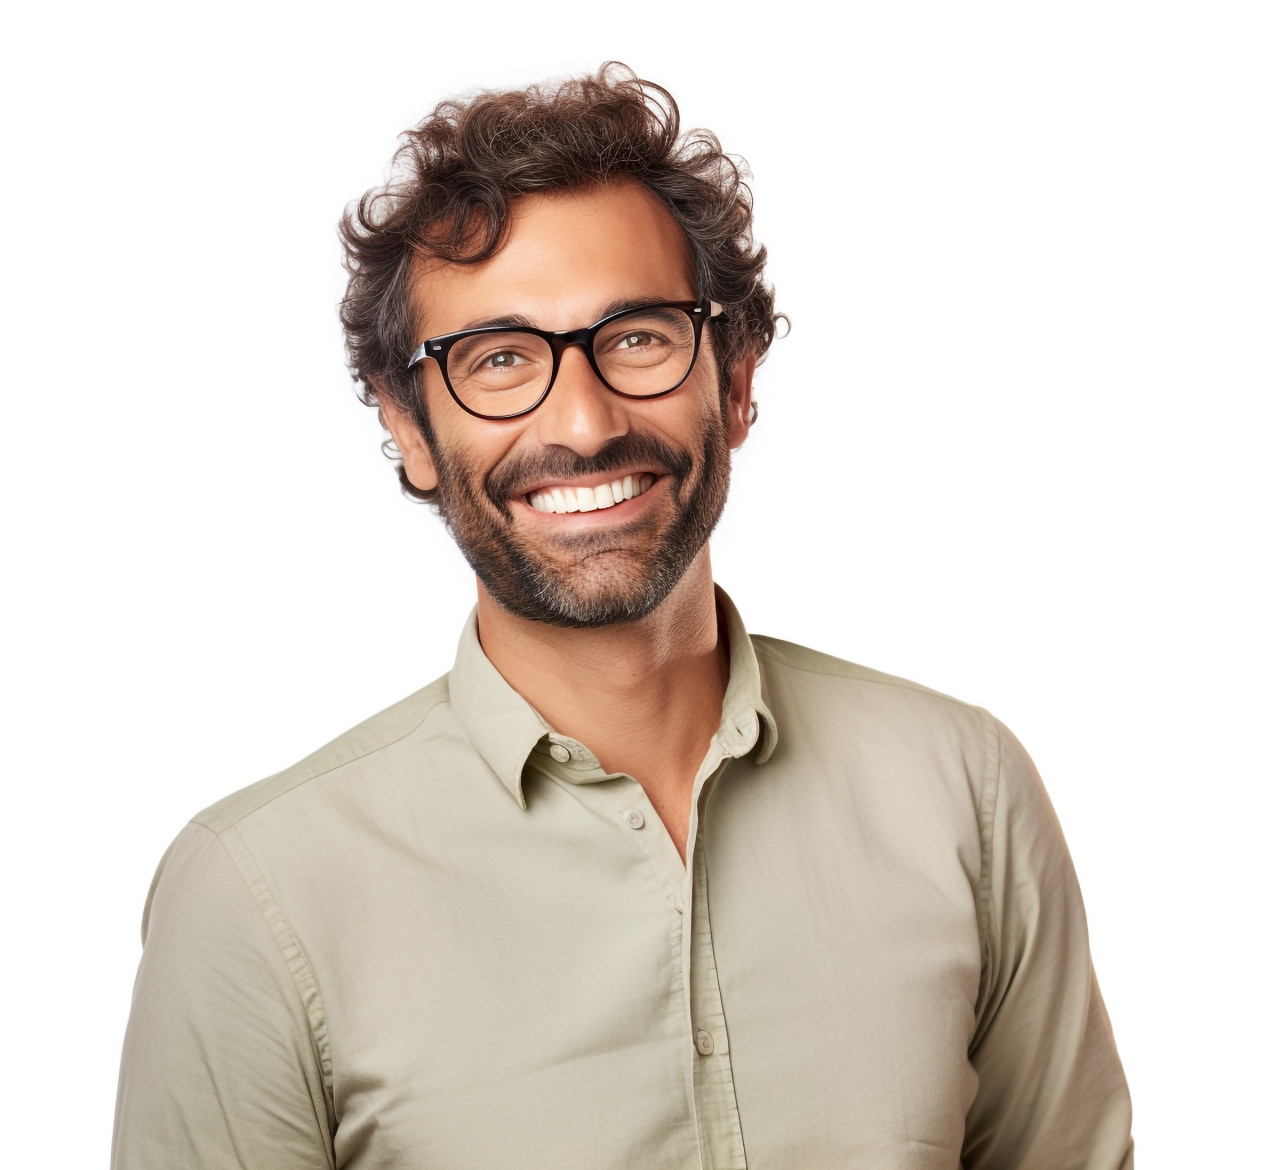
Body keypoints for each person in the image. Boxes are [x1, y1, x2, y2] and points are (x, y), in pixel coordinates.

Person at [112, 63, 1133, 1168]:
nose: (585, 424)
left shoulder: (962, 790)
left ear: (733, 381)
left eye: (638, 337)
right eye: (499, 360)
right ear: (409, 430)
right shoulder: (258, 892)